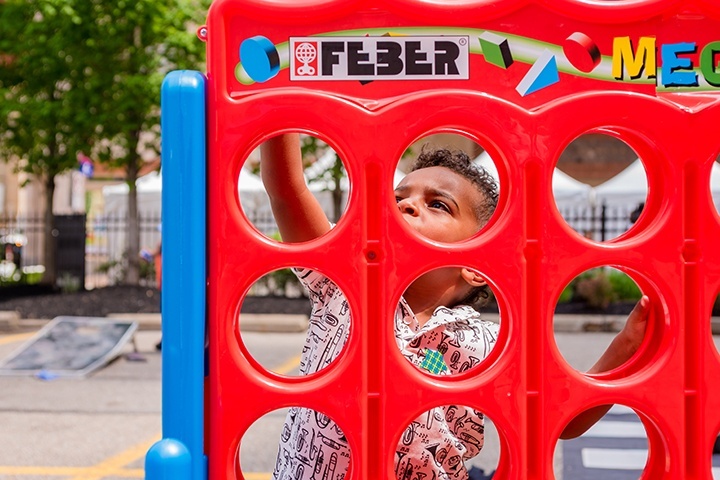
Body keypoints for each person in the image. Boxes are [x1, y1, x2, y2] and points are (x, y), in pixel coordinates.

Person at [260, 133, 649, 480]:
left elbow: (563, 417)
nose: (406, 206)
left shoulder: (487, 342)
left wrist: (627, 345)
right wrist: (280, 102)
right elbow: (286, 188)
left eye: (438, 205)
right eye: (398, 198)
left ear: (475, 266)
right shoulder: (343, 286)